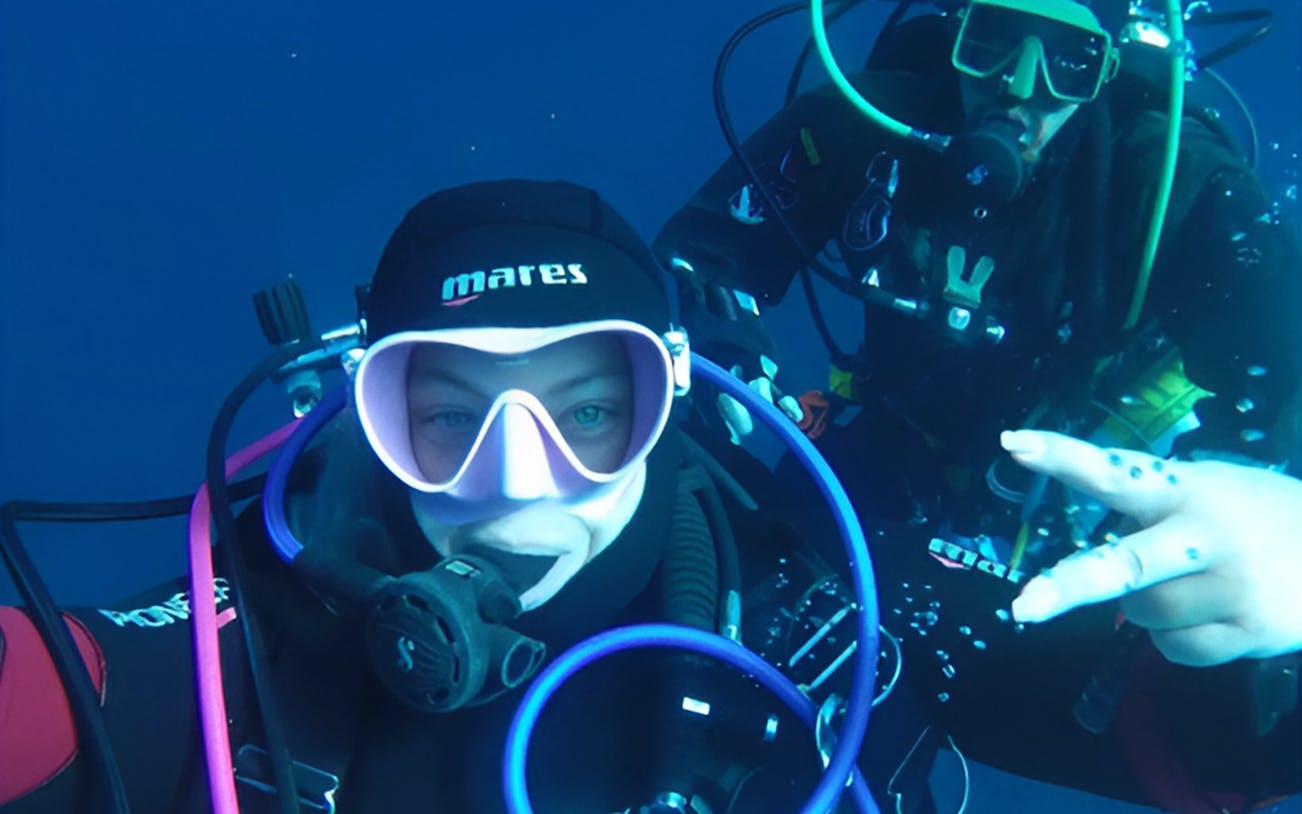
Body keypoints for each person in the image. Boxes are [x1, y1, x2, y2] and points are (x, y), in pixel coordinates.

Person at [0, 180, 880, 814]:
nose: (518, 478)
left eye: (588, 413)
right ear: (374, 422)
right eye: (454, 417)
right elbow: (62, 689)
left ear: (666, 399)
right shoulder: (273, 615)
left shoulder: (785, 634)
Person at [654, 0, 1302, 811]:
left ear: (1105, 69)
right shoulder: (870, 119)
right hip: (875, 464)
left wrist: (1253, 508)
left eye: (1067, 62)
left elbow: (1278, 367)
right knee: (725, 620)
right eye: (992, 43)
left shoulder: (1172, 175)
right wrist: (741, 376)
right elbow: (709, 256)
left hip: (1071, 516)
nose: (1019, 87)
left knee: (1241, 731)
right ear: (957, 35)